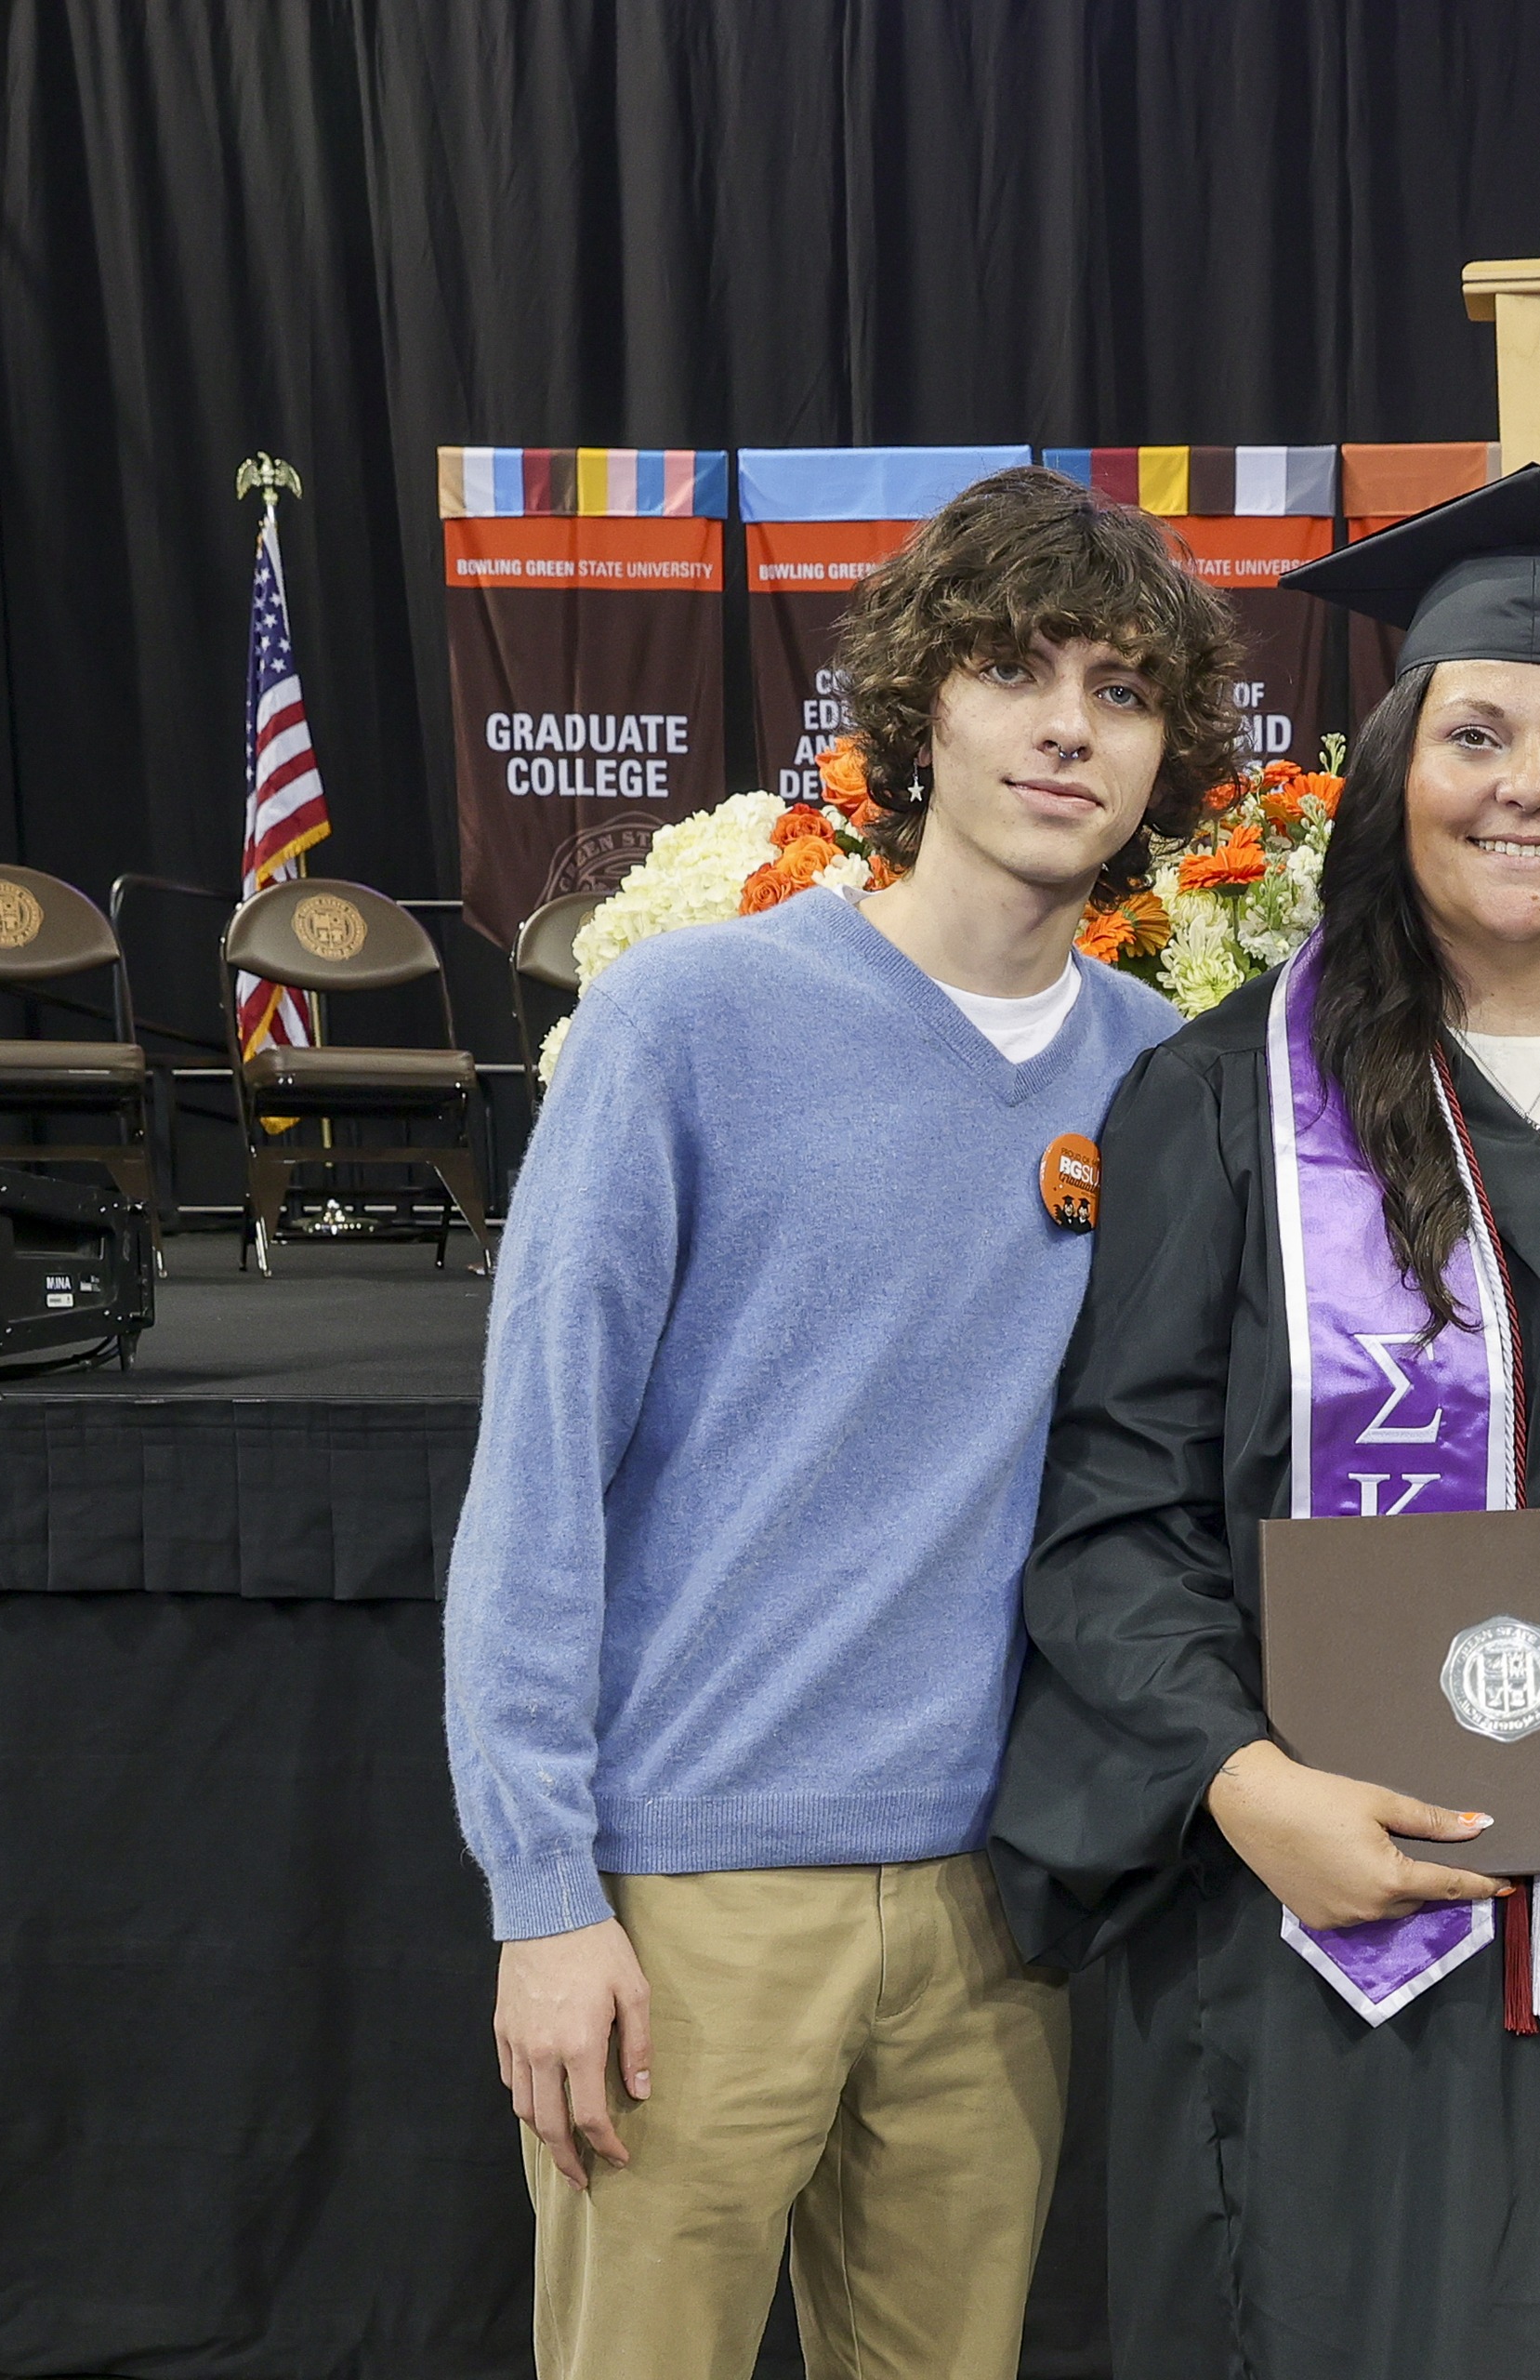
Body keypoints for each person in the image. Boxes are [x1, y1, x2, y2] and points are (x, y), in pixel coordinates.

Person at [985, 465, 1540, 2380]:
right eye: (1474, 732)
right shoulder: (1226, 1103)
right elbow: (1114, 1513)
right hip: (1350, 1943)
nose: (1526, 784)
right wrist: (1242, 1781)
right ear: (1395, 764)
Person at [443, 466, 1234, 2380]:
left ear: (1169, 755)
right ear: (917, 708)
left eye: (1122, 689)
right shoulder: (691, 1021)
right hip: (694, 1888)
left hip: (999, 1901)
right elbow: (538, 1468)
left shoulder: (1173, 1082)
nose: (1067, 723)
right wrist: (544, 1894)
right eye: (1011, 668)